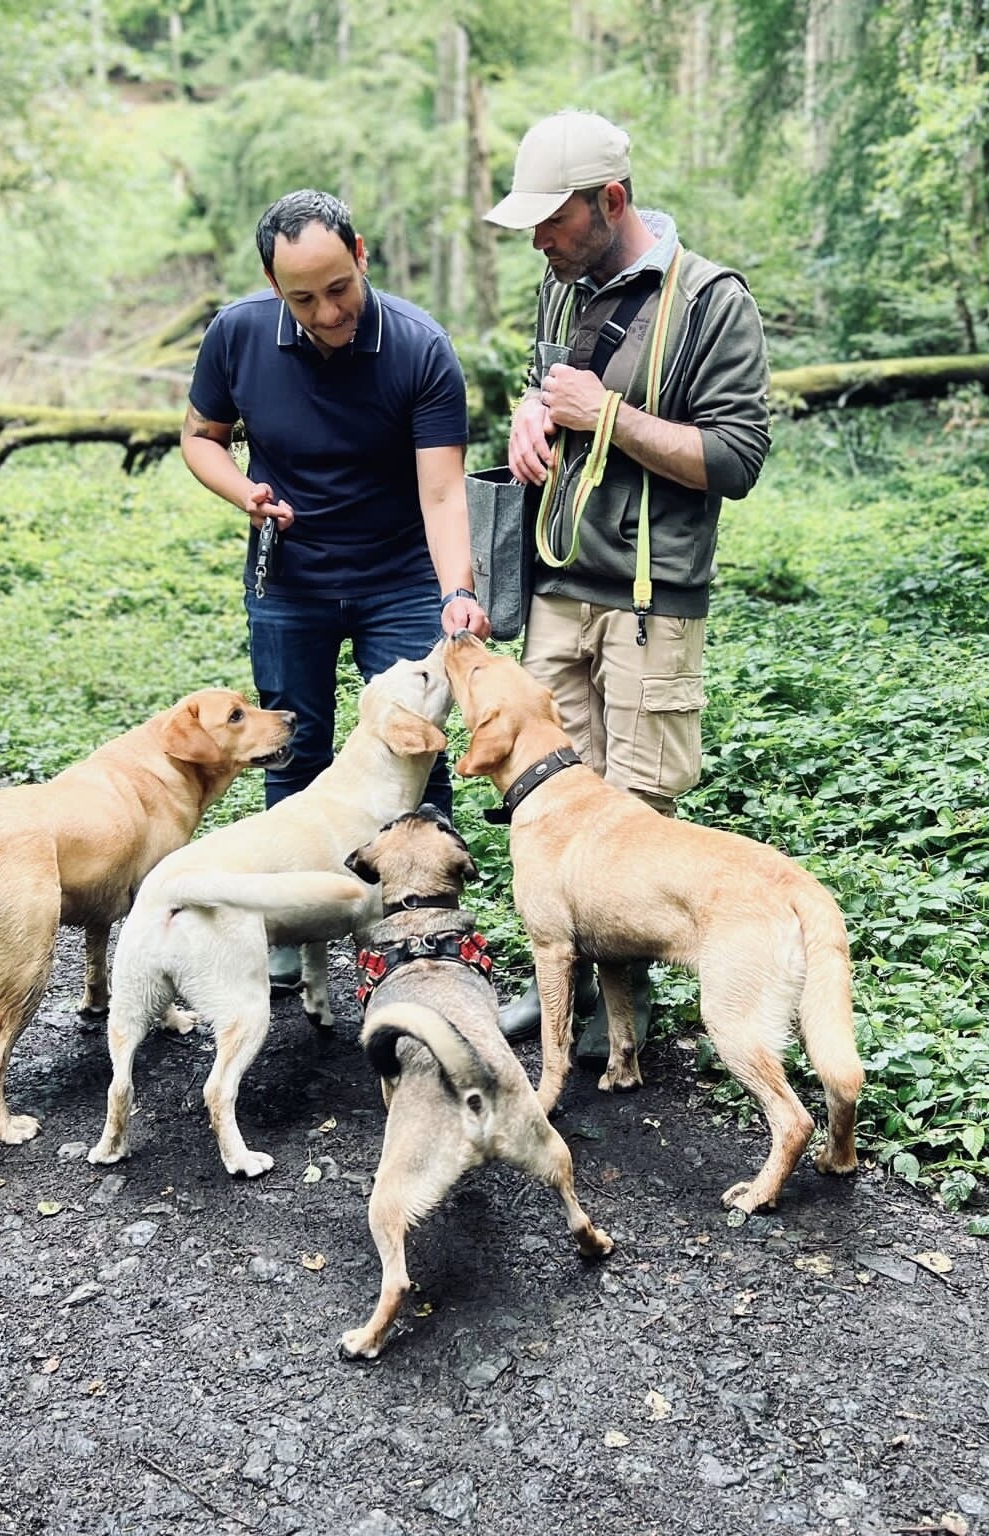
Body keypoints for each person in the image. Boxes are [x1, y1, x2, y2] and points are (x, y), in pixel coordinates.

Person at [483, 111, 772, 1055]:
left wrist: (610, 415)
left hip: (653, 603)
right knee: (549, 802)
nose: (539, 238)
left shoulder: (710, 301)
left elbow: (735, 457)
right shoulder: (568, 287)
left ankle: (627, 1013)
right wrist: (533, 417)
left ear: (611, 201)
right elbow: (554, 392)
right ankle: (559, 986)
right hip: (563, 591)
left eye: (553, 220)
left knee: (636, 815)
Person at [182, 188, 490, 988]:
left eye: (338, 288)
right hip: (291, 578)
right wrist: (240, 491)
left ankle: (430, 930)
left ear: (361, 255)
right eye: (302, 298)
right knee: (292, 745)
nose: (325, 312)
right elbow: (201, 437)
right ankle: (290, 926)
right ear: (273, 285)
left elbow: (444, 493)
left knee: (418, 748)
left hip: (398, 572)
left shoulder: (420, 350)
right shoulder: (237, 335)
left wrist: (456, 592)